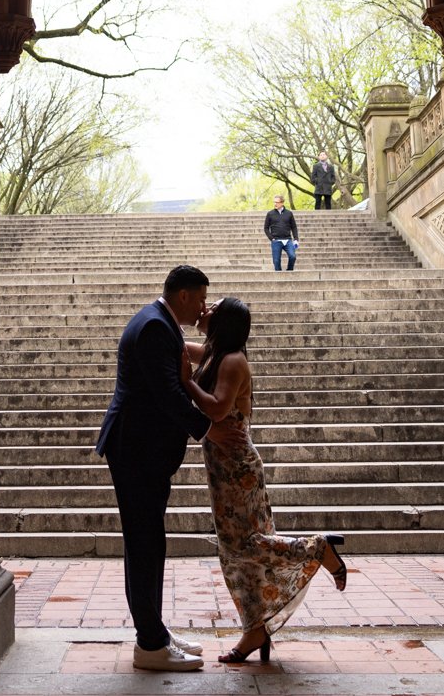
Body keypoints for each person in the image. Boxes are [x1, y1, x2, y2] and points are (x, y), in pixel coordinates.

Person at [183, 297, 348, 663]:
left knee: (243, 546)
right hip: (223, 467)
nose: (205, 307)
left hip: (237, 470)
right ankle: (254, 632)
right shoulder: (214, 352)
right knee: (237, 552)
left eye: (212, 306)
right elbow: (178, 348)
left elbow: (217, 408)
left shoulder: (232, 360)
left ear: (224, 321)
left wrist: (185, 383)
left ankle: (316, 549)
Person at [94, 264, 215, 672]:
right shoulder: (153, 328)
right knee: (144, 544)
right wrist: (208, 429)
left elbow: (183, 370)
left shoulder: (160, 322)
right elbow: (167, 393)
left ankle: (155, 632)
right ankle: (149, 643)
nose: (201, 308)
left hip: (142, 451)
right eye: (199, 299)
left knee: (149, 542)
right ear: (183, 296)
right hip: (135, 450)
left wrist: (216, 333)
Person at [264, 194, 298, 271]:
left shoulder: (289, 213)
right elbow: (266, 228)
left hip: (288, 240)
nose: (275, 204)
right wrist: (272, 238)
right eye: (274, 202)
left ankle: (289, 271)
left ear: (282, 203)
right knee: (276, 262)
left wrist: (296, 239)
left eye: (277, 202)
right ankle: (279, 277)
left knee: (293, 256)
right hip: (276, 241)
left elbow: (294, 227)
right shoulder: (270, 214)